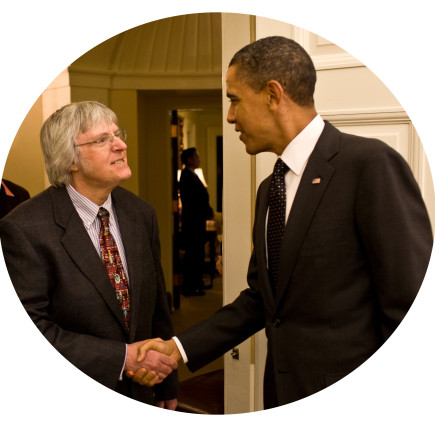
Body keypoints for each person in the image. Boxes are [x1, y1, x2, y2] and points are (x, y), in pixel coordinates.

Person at [128, 36, 433, 409]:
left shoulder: (369, 166)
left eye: (234, 99)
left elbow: (411, 304)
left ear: (273, 94)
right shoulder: (268, 189)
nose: (229, 116)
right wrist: (177, 349)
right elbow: (262, 300)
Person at [0, 101, 178, 409]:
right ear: (69, 159)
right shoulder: (24, 228)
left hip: (144, 394)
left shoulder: (141, 214)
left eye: (117, 134)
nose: (121, 145)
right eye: (102, 140)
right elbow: (31, 330)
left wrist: (166, 386)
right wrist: (123, 360)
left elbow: (157, 308)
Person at [178, 147, 213, 296]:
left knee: (197, 253)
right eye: (196, 157)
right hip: (192, 222)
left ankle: (196, 283)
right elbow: (194, 200)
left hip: (197, 221)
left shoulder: (191, 174)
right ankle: (190, 286)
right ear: (189, 159)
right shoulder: (186, 176)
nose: (199, 159)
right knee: (193, 254)